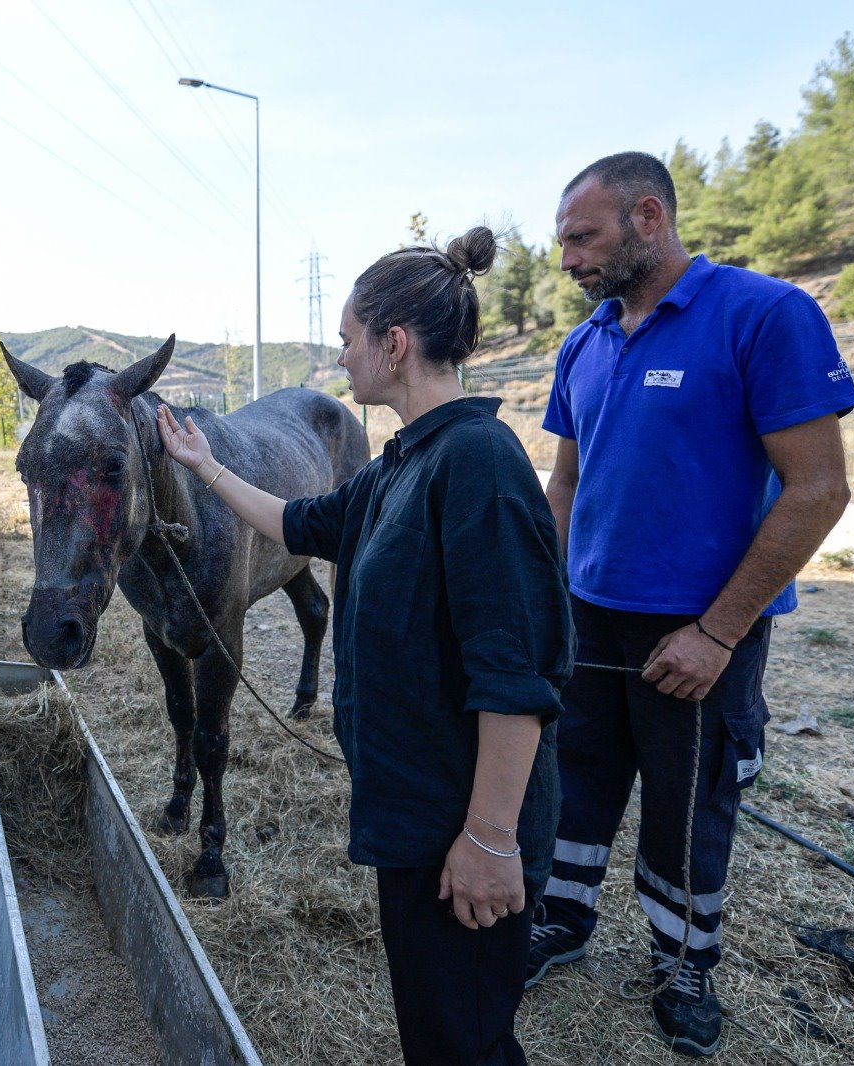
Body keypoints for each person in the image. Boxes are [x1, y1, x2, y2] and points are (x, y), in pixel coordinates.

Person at [156, 226, 571, 1066]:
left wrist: (490, 840)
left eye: (347, 341)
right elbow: (297, 521)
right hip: (416, 815)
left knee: (466, 1040)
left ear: (395, 344)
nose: (340, 361)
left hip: (464, 822)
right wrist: (202, 467)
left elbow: (514, 678)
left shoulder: (479, 467)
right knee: (437, 1028)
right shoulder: (401, 465)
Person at [525, 152, 854, 1057]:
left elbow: (818, 489)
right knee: (577, 779)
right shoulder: (585, 341)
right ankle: (562, 919)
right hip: (589, 617)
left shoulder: (766, 315)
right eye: (563, 242)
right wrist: (545, 596)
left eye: (581, 238)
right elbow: (565, 483)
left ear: (647, 218)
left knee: (688, 804)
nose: (567, 261)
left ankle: (683, 963)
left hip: (703, 628)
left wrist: (717, 632)